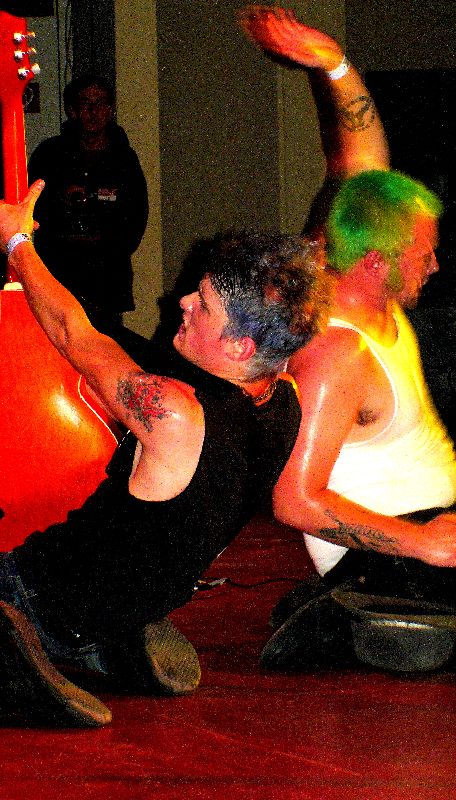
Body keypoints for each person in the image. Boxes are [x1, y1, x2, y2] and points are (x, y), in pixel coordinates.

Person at [241, 7, 456, 667]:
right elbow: (294, 499)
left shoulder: (357, 264)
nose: (435, 264)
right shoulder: (335, 350)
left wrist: (333, 62)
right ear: (376, 263)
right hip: (389, 557)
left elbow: (363, 159)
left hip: (424, 534)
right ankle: (346, 617)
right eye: (423, 253)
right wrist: (418, 543)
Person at [0, 180, 330, 727]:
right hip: (130, 602)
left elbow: (73, 333)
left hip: (36, 598)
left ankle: (25, 656)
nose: (182, 302)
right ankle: (118, 637)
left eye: (203, 305)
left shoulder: (173, 413)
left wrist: (17, 244)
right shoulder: (285, 404)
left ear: (239, 346)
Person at [27, 74, 149, 331]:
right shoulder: (50, 155)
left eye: (100, 103)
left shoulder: (124, 159)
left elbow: (137, 215)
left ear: (111, 109)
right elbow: (30, 208)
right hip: (58, 274)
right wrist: (61, 200)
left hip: (106, 279)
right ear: (72, 110)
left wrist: (108, 240)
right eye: (85, 103)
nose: (93, 111)